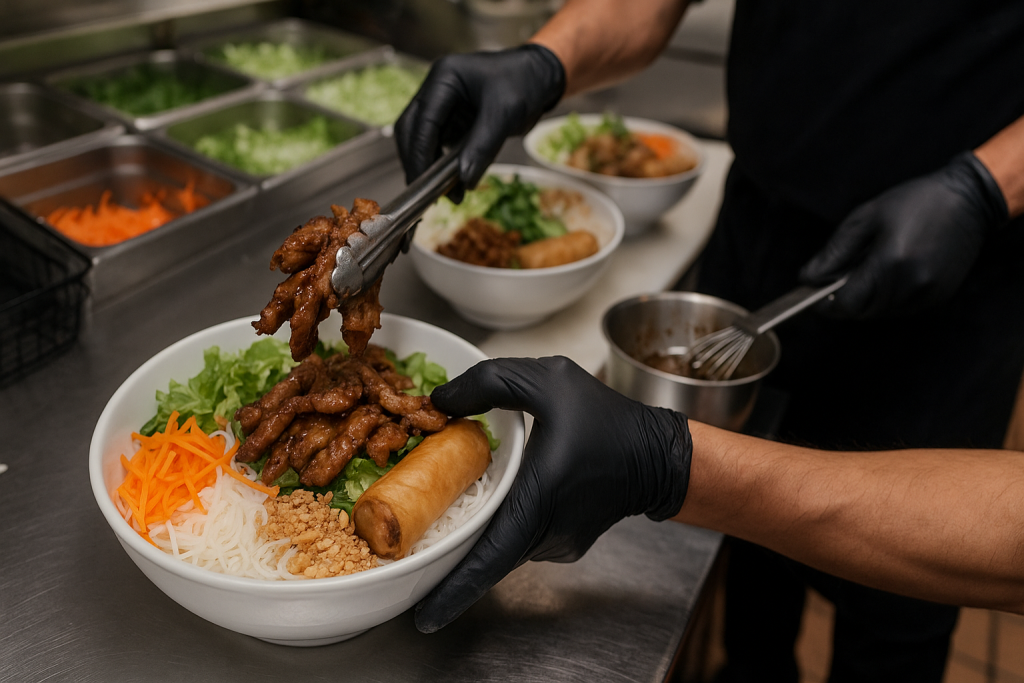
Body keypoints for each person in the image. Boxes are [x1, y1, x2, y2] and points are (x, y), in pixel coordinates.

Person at [394, 1, 1024, 681]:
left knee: (894, 619)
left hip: (954, 261)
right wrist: (548, 60)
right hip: (764, 219)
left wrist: (986, 185)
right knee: (752, 567)